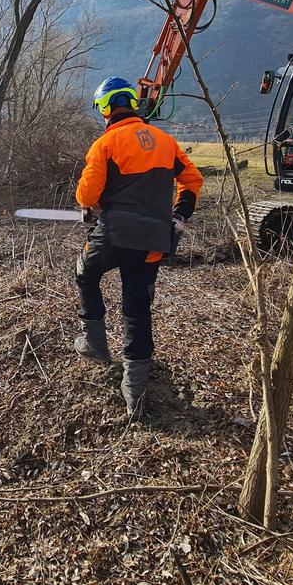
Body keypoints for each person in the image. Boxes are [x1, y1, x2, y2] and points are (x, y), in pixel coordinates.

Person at [74, 77, 203, 420]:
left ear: (104, 108)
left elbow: (86, 195)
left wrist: (91, 205)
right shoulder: (165, 141)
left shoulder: (105, 143)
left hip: (113, 236)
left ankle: (94, 343)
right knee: (137, 308)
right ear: (132, 103)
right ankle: (135, 391)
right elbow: (192, 180)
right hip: (152, 242)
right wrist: (179, 215)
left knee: (85, 272)